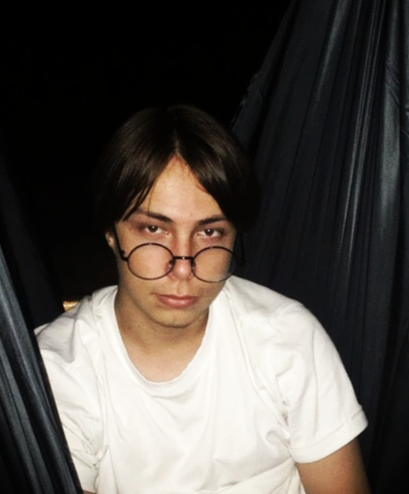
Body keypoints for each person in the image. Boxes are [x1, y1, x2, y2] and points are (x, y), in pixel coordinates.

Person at [36, 105, 371, 494]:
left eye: (209, 232)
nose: (183, 267)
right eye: (154, 229)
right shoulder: (58, 370)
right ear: (112, 233)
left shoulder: (285, 336)